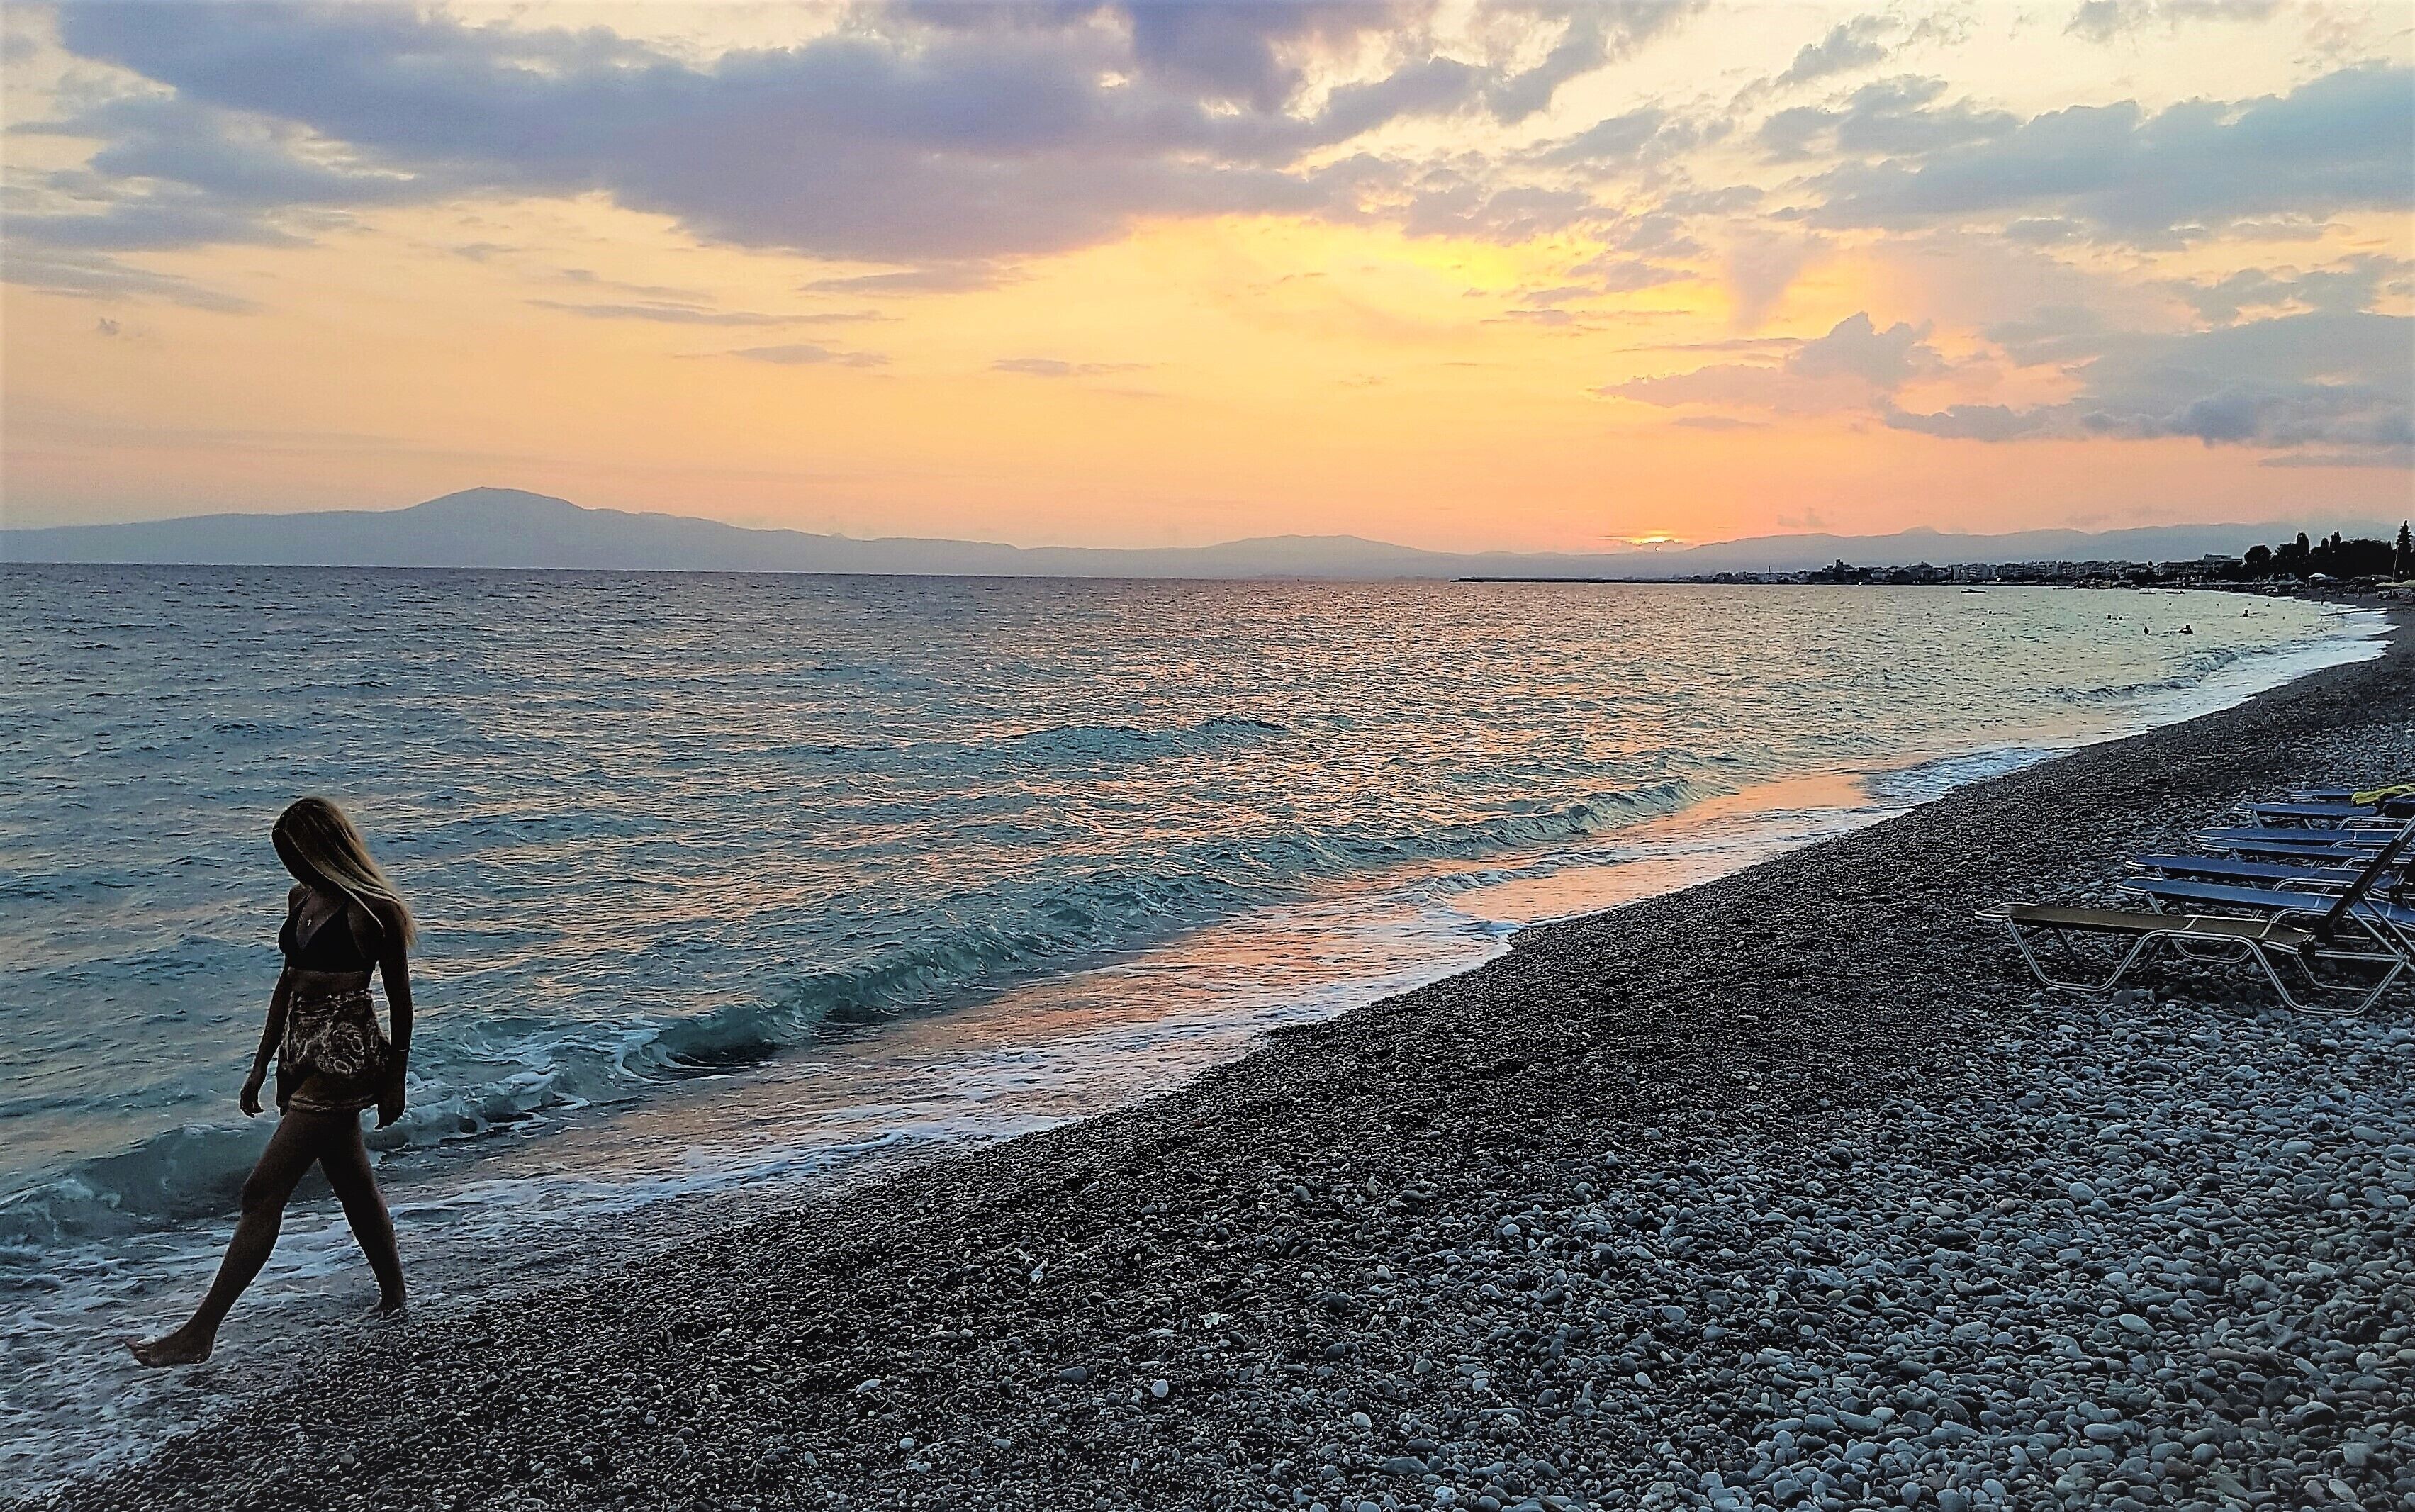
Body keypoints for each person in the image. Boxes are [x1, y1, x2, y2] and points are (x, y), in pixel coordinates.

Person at [128, 797, 416, 1366]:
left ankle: (200, 1332)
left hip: (344, 1054)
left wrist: (395, 1078)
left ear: (325, 849)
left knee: (262, 1189)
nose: (293, 869)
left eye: (298, 855)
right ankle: (395, 1298)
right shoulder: (300, 900)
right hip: (300, 1049)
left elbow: (400, 1003)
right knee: (353, 1180)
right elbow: (286, 987)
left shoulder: (371, 910)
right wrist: (261, 1063)